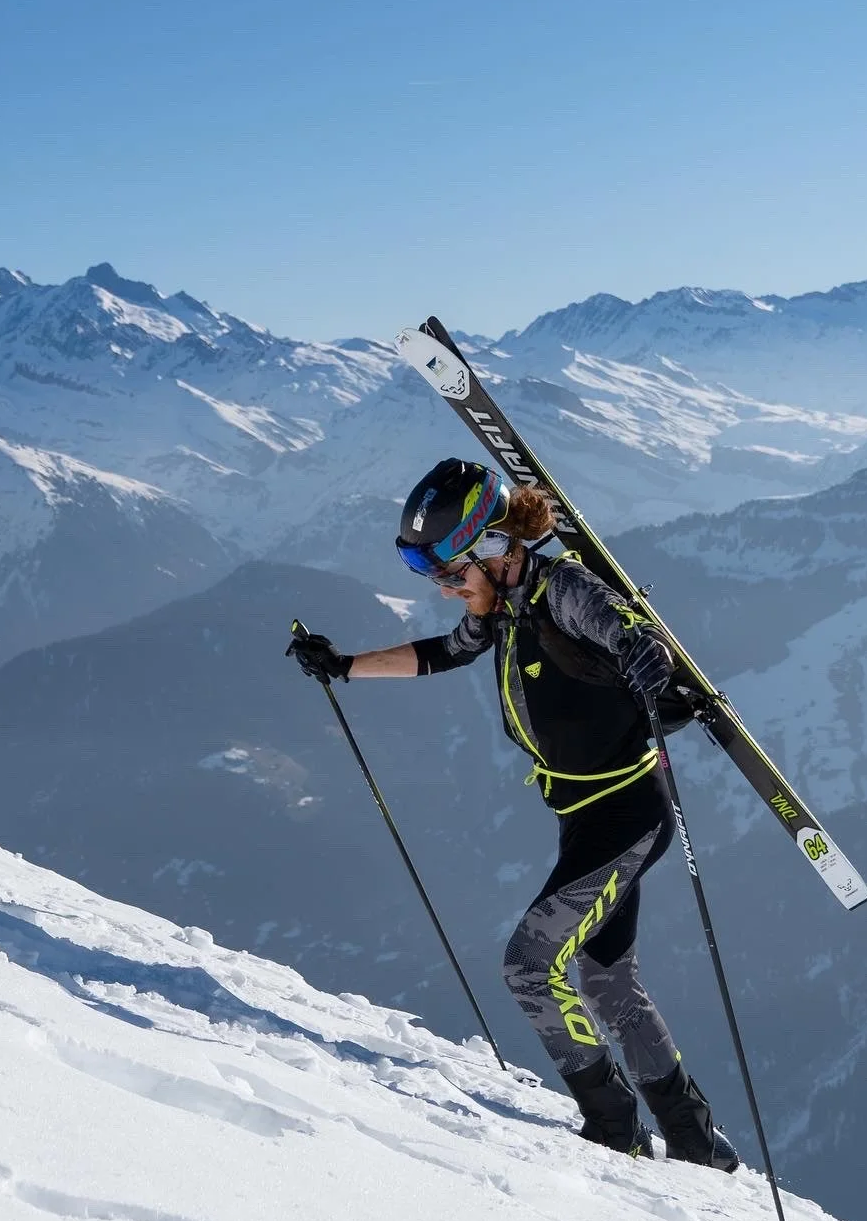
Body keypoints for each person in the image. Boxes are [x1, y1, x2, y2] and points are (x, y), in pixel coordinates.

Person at [287, 457, 737, 1169]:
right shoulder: (505, 606)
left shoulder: (563, 590)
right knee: (607, 979)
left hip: (627, 816)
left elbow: (620, 628)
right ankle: (694, 1140)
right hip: (583, 819)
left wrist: (644, 655)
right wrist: (343, 666)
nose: (445, 589)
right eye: (433, 576)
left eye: (450, 572)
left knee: (530, 966)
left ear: (495, 547)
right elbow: (446, 653)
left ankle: (614, 1129)